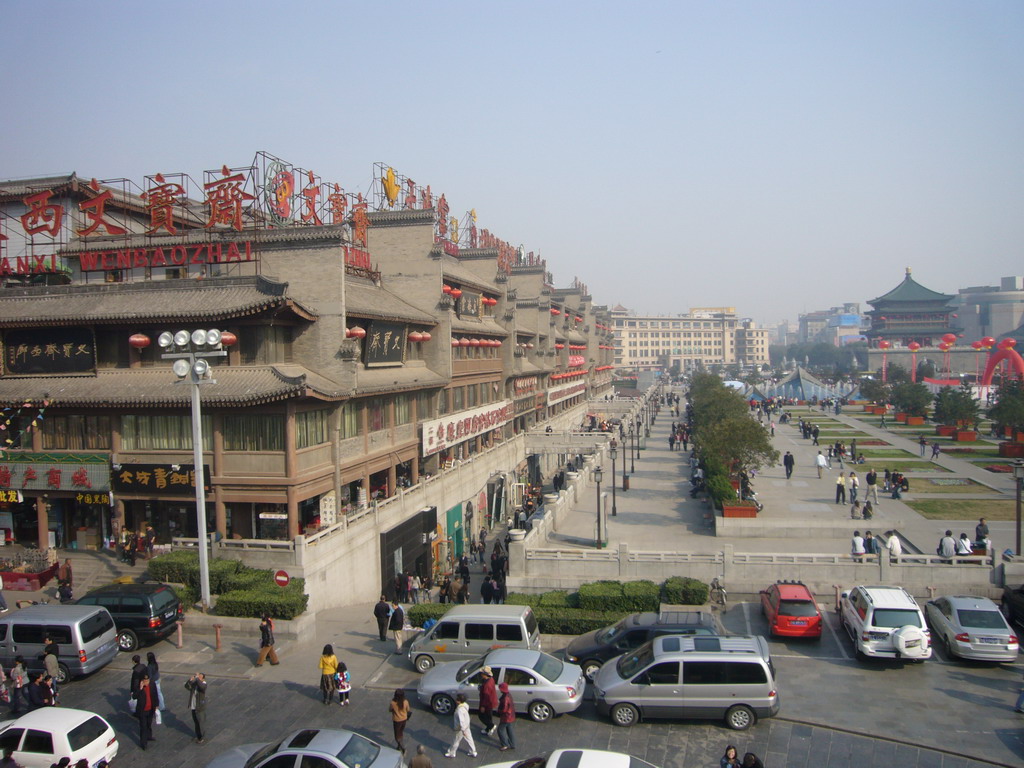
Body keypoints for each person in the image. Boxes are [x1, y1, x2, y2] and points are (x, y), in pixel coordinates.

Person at [445, 693, 477, 758]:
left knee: (456, 741)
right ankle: (473, 751)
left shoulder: (460, 710)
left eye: (457, 699)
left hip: (460, 728)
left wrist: (462, 730)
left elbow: (461, 721)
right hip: (467, 726)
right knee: (469, 739)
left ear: (459, 701)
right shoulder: (465, 705)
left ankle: (452, 753)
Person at [136, 672, 157, 749]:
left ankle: (149, 736)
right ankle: (143, 743)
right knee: (143, 727)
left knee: (149, 724)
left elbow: (155, 694)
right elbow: (135, 696)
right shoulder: (139, 686)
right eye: (145, 681)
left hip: (151, 709)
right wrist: (140, 688)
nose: (146, 682)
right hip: (142, 711)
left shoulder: (152, 684)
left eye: (147, 680)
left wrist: (157, 704)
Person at [185, 672, 207, 744]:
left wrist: (197, 679)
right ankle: (198, 735)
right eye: (198, 677)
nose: (198, 678)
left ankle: (201, 737)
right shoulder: (195, 684)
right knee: (196, 722)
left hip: (199, 707)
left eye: (200, 677)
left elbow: (201, 687)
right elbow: (187, 686)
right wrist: (190, 680)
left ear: (202, 678)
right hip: (193, 706)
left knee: (200, 722)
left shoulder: (203, 684)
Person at [478, 666, 498, 736]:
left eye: (482, 673)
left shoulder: (487, 685)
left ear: (485, 674)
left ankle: (491, 726)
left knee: (481, 716)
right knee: (488, 716)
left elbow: (486, 696)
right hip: (490, 702)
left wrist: (483, 706)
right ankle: (488, 729)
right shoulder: (491, 680)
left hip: (487, 703)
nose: (481, 675)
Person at [389, 688, 411, 754]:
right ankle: (399, 747)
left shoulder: (393, 703)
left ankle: (403, 748)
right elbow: (408, 710)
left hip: (397, 720)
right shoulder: (405, 702)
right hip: (404, 719)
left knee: (396, 736)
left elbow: (390, 710)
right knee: (400, 733)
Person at [496, 682, 516, 751]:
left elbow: (504, 709)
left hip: (506, 717)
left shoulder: (505, 698)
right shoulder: (509, 695)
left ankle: (505, 745)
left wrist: (499, 711)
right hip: (510, 716)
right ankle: (512, 744)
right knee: (509, 729)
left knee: (500, 730)